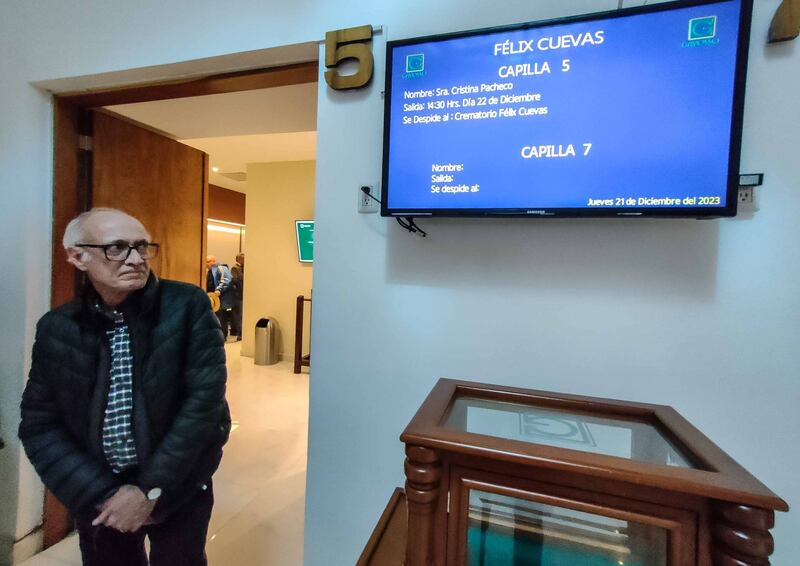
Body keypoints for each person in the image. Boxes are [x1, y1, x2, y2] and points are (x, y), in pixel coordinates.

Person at [19, 208, 230, 566]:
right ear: (77, 256)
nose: (135, 259)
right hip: (101, 496)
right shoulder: (58, 328)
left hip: (178, 484)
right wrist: (100, 493)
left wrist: (150, 490)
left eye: (142, 247)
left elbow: (204, 407)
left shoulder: (186, 306)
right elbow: (40, 424)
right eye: (117, 248)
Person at [205, 255, 234, 339]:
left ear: (212, 261)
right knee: (215, 317)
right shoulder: (210, 271)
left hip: (221, 299)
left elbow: (226, 280)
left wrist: (219, 290)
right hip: (213, 299)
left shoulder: (221, 268)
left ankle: (222, 335)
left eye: (207, 262)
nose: (206, 264)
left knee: (221, 317)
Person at [229, 253, 244, 341]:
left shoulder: (244, 268)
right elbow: (235, 280)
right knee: (239, 315)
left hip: (244, 295)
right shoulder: (235, 268)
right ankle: (239, 333)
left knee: (241, 315)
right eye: (242, 259)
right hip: (238, 295)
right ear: (238, 260)